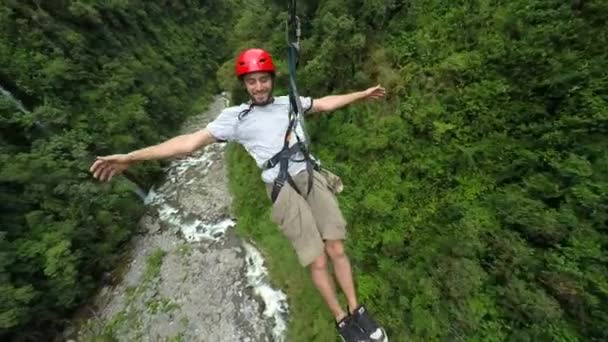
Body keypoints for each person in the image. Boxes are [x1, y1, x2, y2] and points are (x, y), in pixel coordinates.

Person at [90, 48, 387, 342]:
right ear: (244, 85)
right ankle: (341, 319)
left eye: (263, 79)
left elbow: (324, 104)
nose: (258, 87)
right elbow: (188, 143)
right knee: (318, 259)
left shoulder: (289, 102)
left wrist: (361, 94)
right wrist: (130, 156)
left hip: (308, 174)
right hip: (281, 187)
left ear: (272, 79)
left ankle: (356, 308)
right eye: (251, 81)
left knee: (335, 247)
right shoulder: (236, 117)